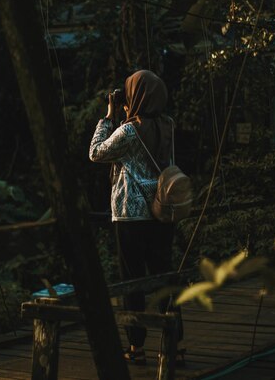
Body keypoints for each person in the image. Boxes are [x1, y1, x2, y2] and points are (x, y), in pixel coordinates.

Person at [89, 69, 183, 366]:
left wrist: (108, 116)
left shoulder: (128, 131)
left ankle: (136, 346)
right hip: (162, 212)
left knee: (132, 280)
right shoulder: (168, 125)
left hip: (130, 216)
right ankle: (174, 344)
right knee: (164, 276)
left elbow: (95, 152)